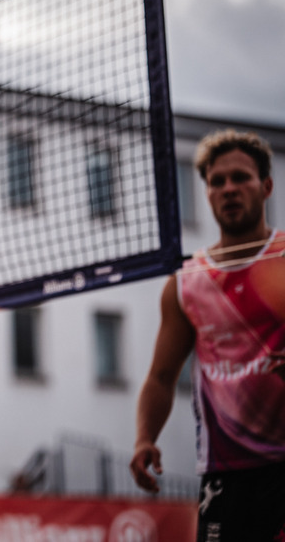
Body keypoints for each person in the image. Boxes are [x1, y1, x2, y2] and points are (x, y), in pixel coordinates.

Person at [130, 129, 285, 541]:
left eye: (240, 178)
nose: (228, 189)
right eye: (217, 182)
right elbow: (161, 377)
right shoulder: (188, 281)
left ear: (266, 186)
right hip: (224, 474)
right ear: (207, 192)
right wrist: (145, 438)